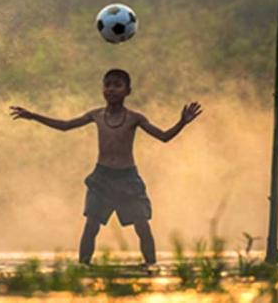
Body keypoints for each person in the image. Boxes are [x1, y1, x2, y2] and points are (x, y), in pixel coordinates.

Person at [10, 69, 202, 266]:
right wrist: (33, 116)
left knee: (142, 226)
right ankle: (83, 267)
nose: (111, 89)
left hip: (128, 179)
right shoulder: (96, 115)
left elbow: (163, 137)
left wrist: (182, 122)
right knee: (91, 226)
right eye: (107, 85)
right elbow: (66, 126)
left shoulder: (135, 118)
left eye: (117, 85)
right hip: (102, 178)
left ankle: (151, 267)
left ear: (128, 91)